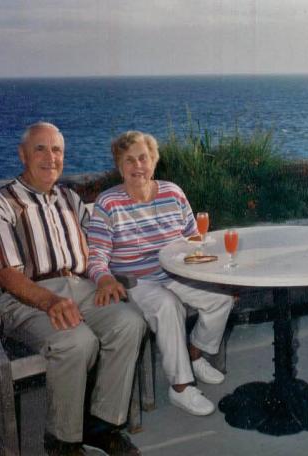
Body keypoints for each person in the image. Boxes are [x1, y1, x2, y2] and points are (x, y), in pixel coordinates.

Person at [0, 122, 145, 456]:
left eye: (57, 150)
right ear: (22, 155)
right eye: (40, 148)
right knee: (76, 341)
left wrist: (106, 278)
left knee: (129, 322)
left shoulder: (69, 197)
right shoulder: (0, 204)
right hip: (27, 297)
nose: (50, 157)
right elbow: (7, 275)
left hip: (79, 286)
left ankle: (101, 425)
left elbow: (98, 247)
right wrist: (50, 301)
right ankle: (63, 441)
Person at [87, 131, 234, 417]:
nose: (137, 166)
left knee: (222, 297)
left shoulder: (172, 192)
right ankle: (180, 387)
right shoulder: (108, 203)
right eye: (129, 160)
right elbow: (97, 255)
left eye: (143, 158)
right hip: (135, 281)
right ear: (119, 166)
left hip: (177, 273)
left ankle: (194, 354)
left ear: (154, 161)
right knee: (168, 305)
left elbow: (194, 237)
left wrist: (211, 269)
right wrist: (103, 278)